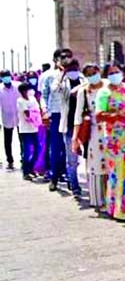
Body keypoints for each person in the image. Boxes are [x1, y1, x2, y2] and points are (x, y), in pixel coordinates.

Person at [96, 62, 125, 221]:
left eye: (117, 71)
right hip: (115, 140)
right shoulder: (103, 92)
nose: (115, 74)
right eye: (111, 72)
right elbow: (99, 115)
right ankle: (119, 208)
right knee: (118, 172)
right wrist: (119, 116)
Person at [73, 63, 107, 211]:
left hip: (113, 130)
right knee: (95, 165)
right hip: (94, 132)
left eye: (94, 72)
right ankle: (98, 200)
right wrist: (75, 139)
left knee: (111, 165)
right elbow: (78, 116)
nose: (92, 76)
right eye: (89, 74)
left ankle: (112, 199)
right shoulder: (84, 91)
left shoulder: (108, 86)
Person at [41, 49, 73, 190]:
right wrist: (45, 112)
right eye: (63, 57)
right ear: (56, 60)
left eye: (69, 57)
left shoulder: (75, 75)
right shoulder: (49, 76)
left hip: (71, 115)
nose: (66, 60)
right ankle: (54, 177)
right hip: (55, 114)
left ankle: (71, 178)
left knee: (70, 148)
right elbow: (44, 95)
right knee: (55, 148)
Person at [55, 59, 86, 197]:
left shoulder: (83, 79)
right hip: (69, 126)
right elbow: (55, 89)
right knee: (72, 159)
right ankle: (75, 187)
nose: (72, 71)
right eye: (69, 68)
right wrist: (62, 74)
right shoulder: (63, 82)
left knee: (88, 157)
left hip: (85, 125)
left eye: (74, 67)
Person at [16, 82, 42, 181]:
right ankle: (25, 171)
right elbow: (27, 113)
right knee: (27, 151)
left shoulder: (33, 99)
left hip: (34, 128)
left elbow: (37, 110)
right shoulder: (20, 101)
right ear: (23, 91)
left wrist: (34, 112)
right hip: (25, 129)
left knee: (37, 149)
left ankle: (31, 168)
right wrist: (33, 112)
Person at [0, 70, 21, 171]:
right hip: (6, 118)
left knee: (23, 140)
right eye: (3, 76)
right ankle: (10, 160)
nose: (6, 78)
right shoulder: (0, 89)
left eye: (7, 76)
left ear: (10, 76)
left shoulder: (18, 86)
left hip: (20, 118)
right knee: (8, 141)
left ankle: (23, 158)